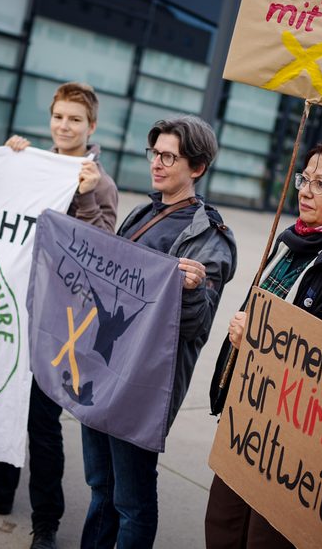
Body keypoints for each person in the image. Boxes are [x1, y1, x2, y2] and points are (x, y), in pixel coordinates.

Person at [0, 81, 118, 549]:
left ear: (92, 126)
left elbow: (101, 248)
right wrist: (7, 162)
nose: (65, 126)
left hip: (58, 323)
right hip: (12, 309)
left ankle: (46, 522)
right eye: (59, 117)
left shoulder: (99, 181)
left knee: (41, 424)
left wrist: (85, 194)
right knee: (2, 400)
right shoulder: (32, 165)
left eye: (75, 119)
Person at [203, 140, 322, 549]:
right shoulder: (290, 242)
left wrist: (258, 343)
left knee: (261, 539)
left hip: (290, 440)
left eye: (321, 184)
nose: (305, 190)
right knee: (222, 527)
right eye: (305, 179)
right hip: (247, 416)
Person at [81, 115, 236, 549]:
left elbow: (195, 325)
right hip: (104, 366)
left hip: (142, 386)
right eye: (155, 153)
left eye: (170, 156)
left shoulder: (208, 236)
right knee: (100, 487)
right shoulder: (143, 212)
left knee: (132, 503)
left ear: (197, 167)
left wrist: (189, 289)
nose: (158, 163)